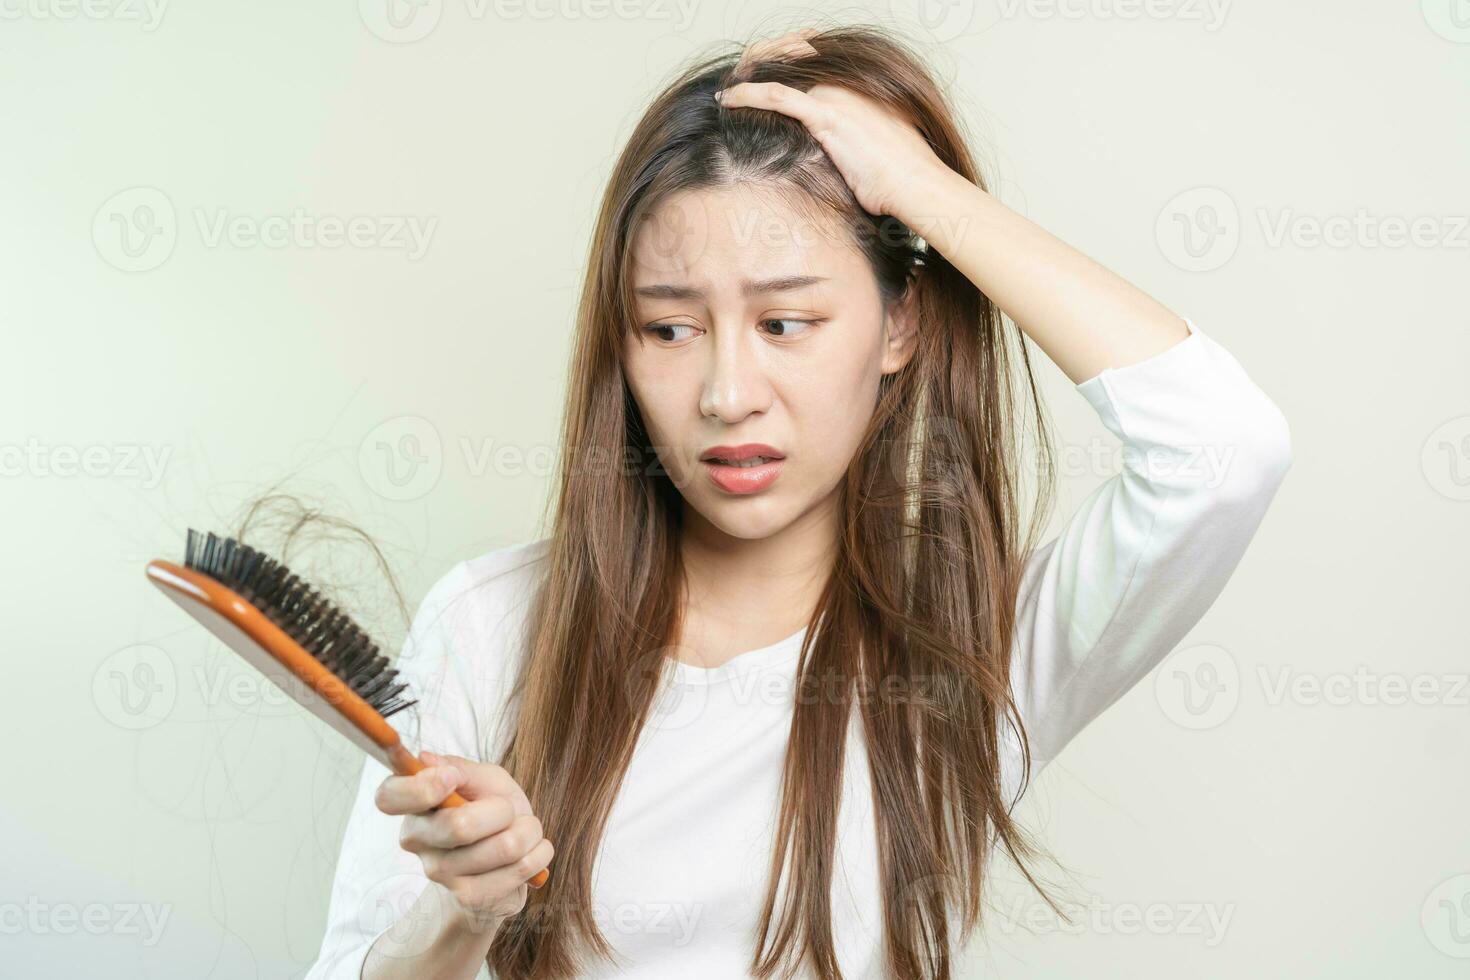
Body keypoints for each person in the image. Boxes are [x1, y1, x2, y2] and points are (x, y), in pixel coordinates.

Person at [306, 24, 1292, 980]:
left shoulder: (976, 652)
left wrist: (924, 192)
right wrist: (460, 914)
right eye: (669, 327)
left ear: (899, 322)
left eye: (785, 320)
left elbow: (1223, 447)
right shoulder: (491, 626)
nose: (727, 392)